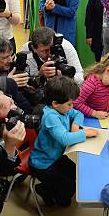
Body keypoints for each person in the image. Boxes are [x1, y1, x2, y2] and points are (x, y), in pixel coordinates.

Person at [29, 76, 98, 207]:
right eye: (70, 104)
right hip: (43, 163)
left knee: (77, 174)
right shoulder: (51, 116)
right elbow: (65, 138)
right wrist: (84, 133)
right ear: (55, 103)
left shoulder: (62, 109)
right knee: (66, 196)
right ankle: (43, 190)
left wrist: (75, 127)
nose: (72, 107)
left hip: (56, 157)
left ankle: (56, 190)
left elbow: (78, 114)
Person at [73, 50, 109, 119]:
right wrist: (94, 113)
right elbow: (76, 103)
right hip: (86, 117)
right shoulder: (91, 84)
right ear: (108, 71)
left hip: (100, 117)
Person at [19, 26, 84, 87]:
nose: (50, 53)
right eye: (45, 51)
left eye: (52, 48)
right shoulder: (26, 51)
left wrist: (66, 78)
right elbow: (24, 81)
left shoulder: (65, 47)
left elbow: (80, 79)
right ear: (34, 48)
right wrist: (40, 74)